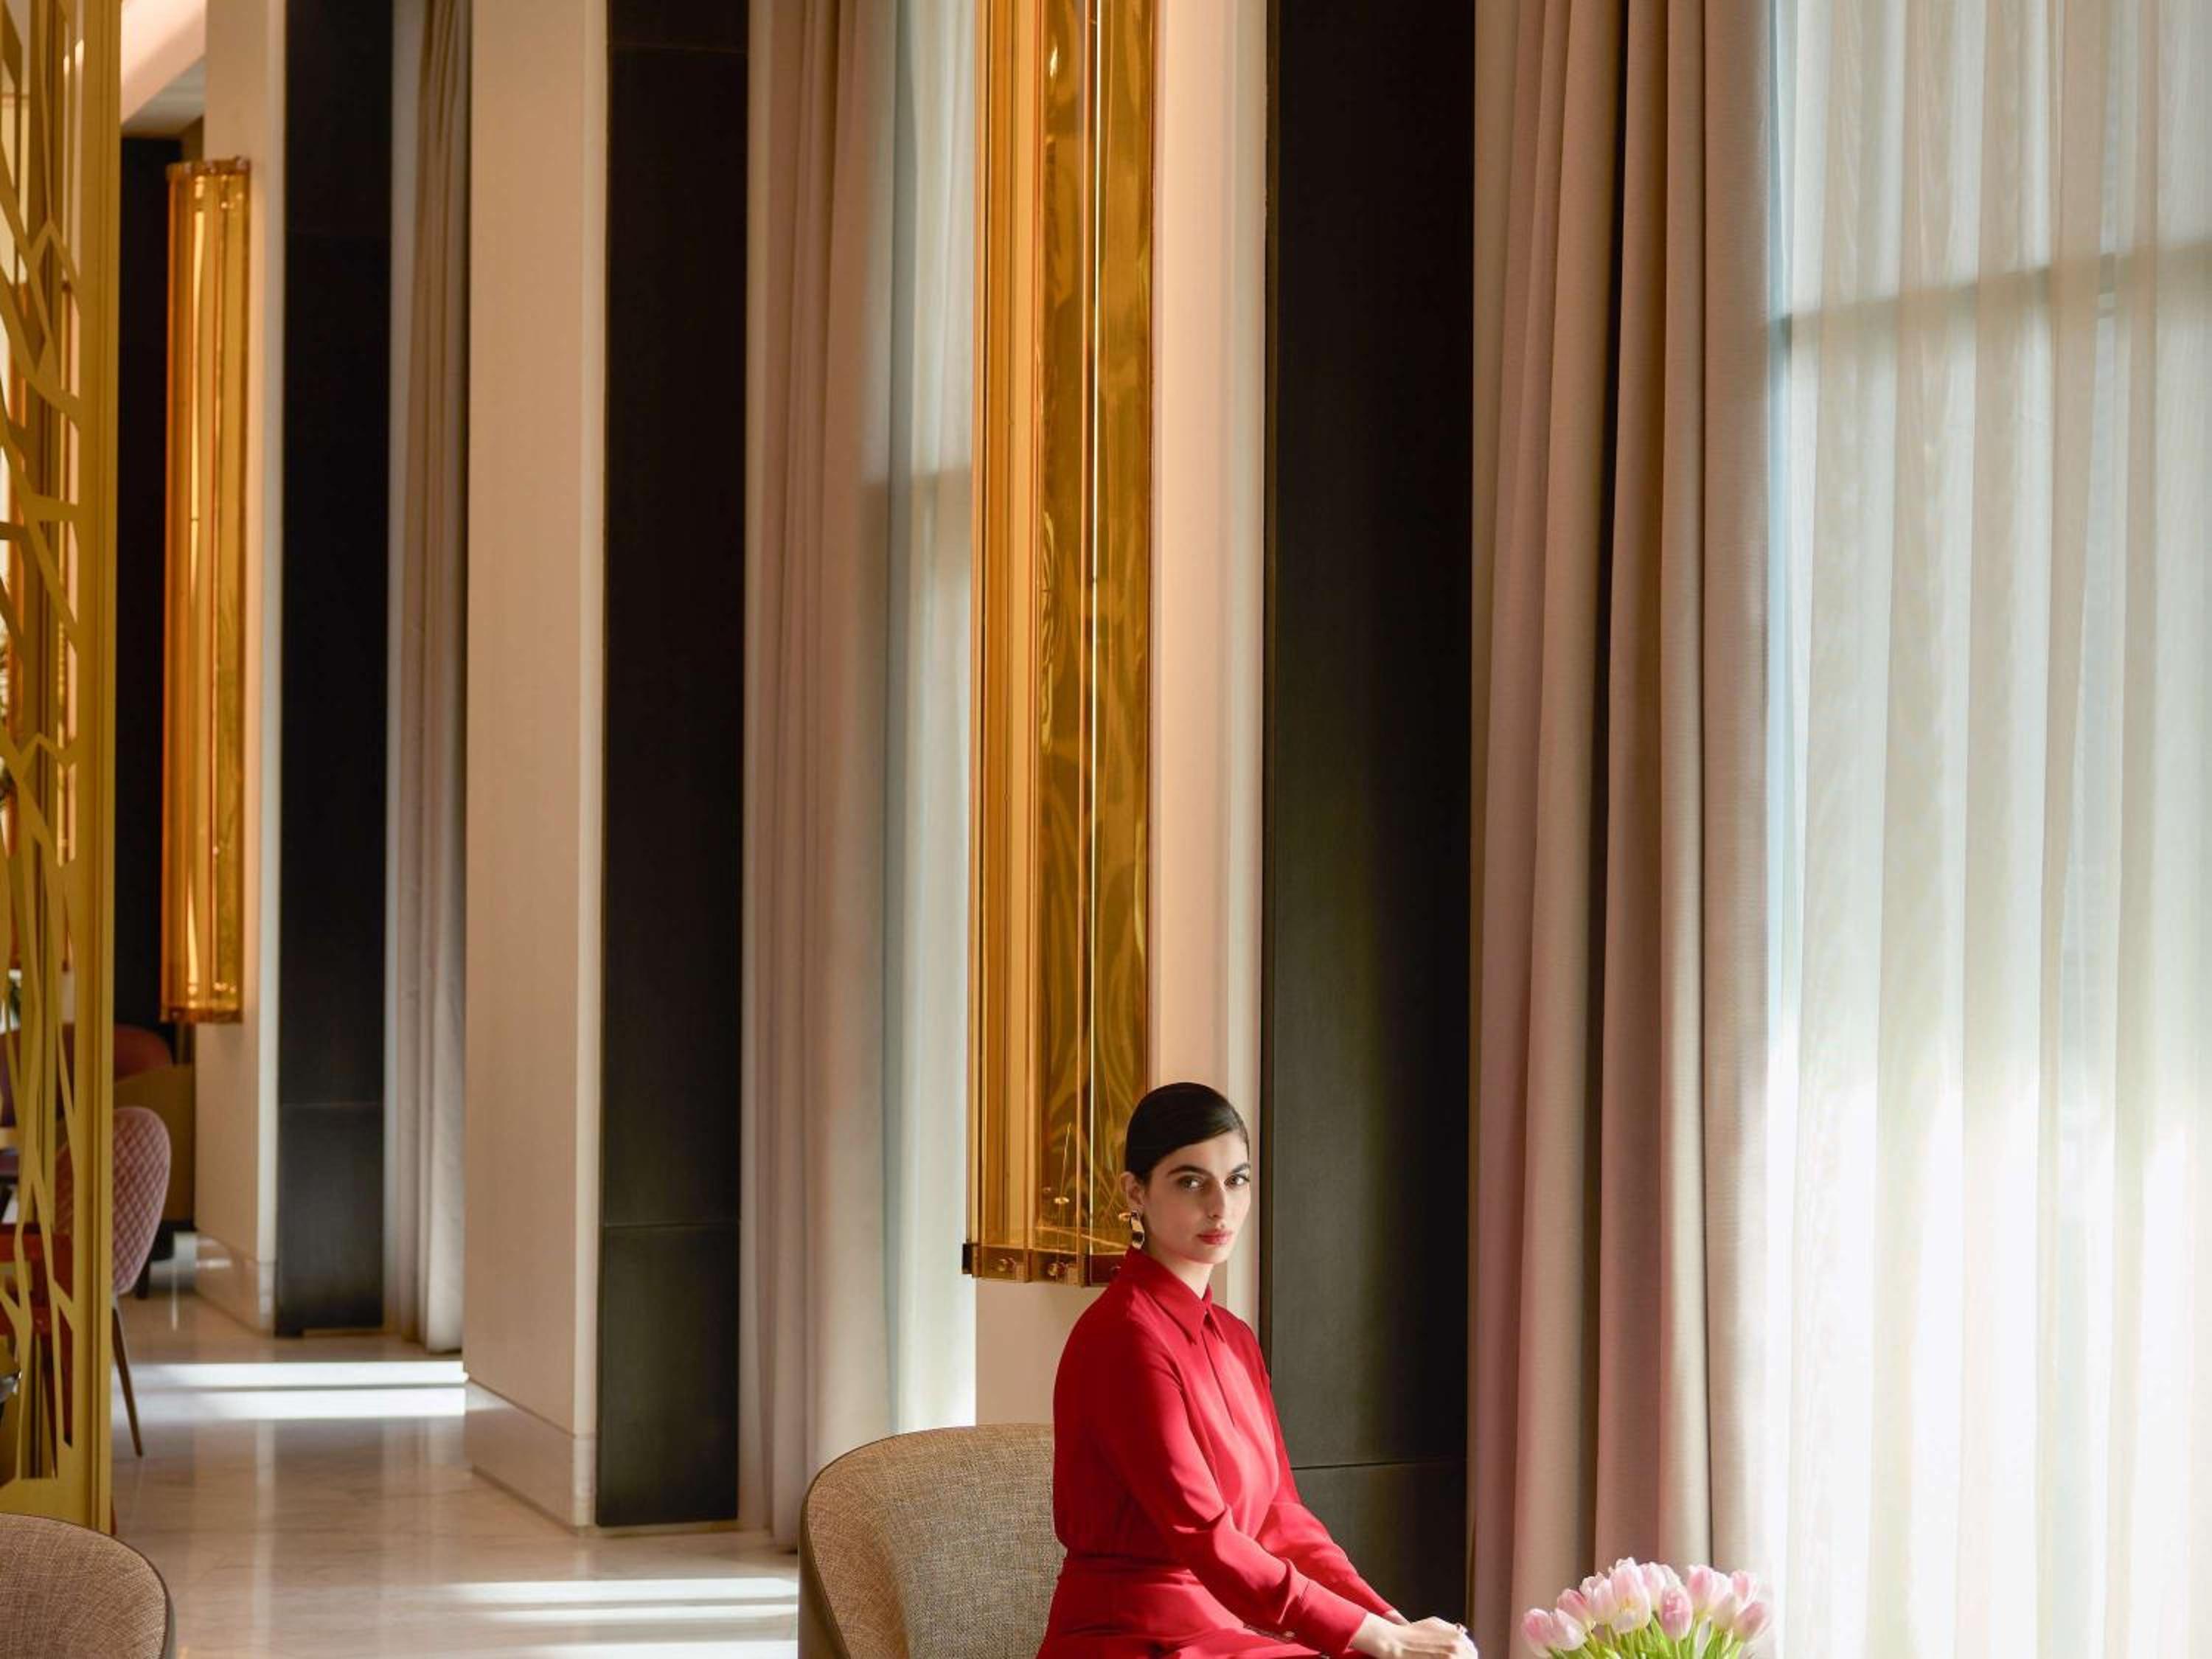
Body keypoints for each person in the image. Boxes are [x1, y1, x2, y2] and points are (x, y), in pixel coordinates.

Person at [1039, 1082, 1478, 1659]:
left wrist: (1389, 1623)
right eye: (1191, 1181)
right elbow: (1207, 1538)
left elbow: (1280, 1518)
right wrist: (1377, 1640)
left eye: (1237, 1180)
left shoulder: (1235, 1339)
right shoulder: (1123, 1338)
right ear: (1135, 1192)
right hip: (1131, 1638)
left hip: (1221, 1632)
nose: (1220, 1206)